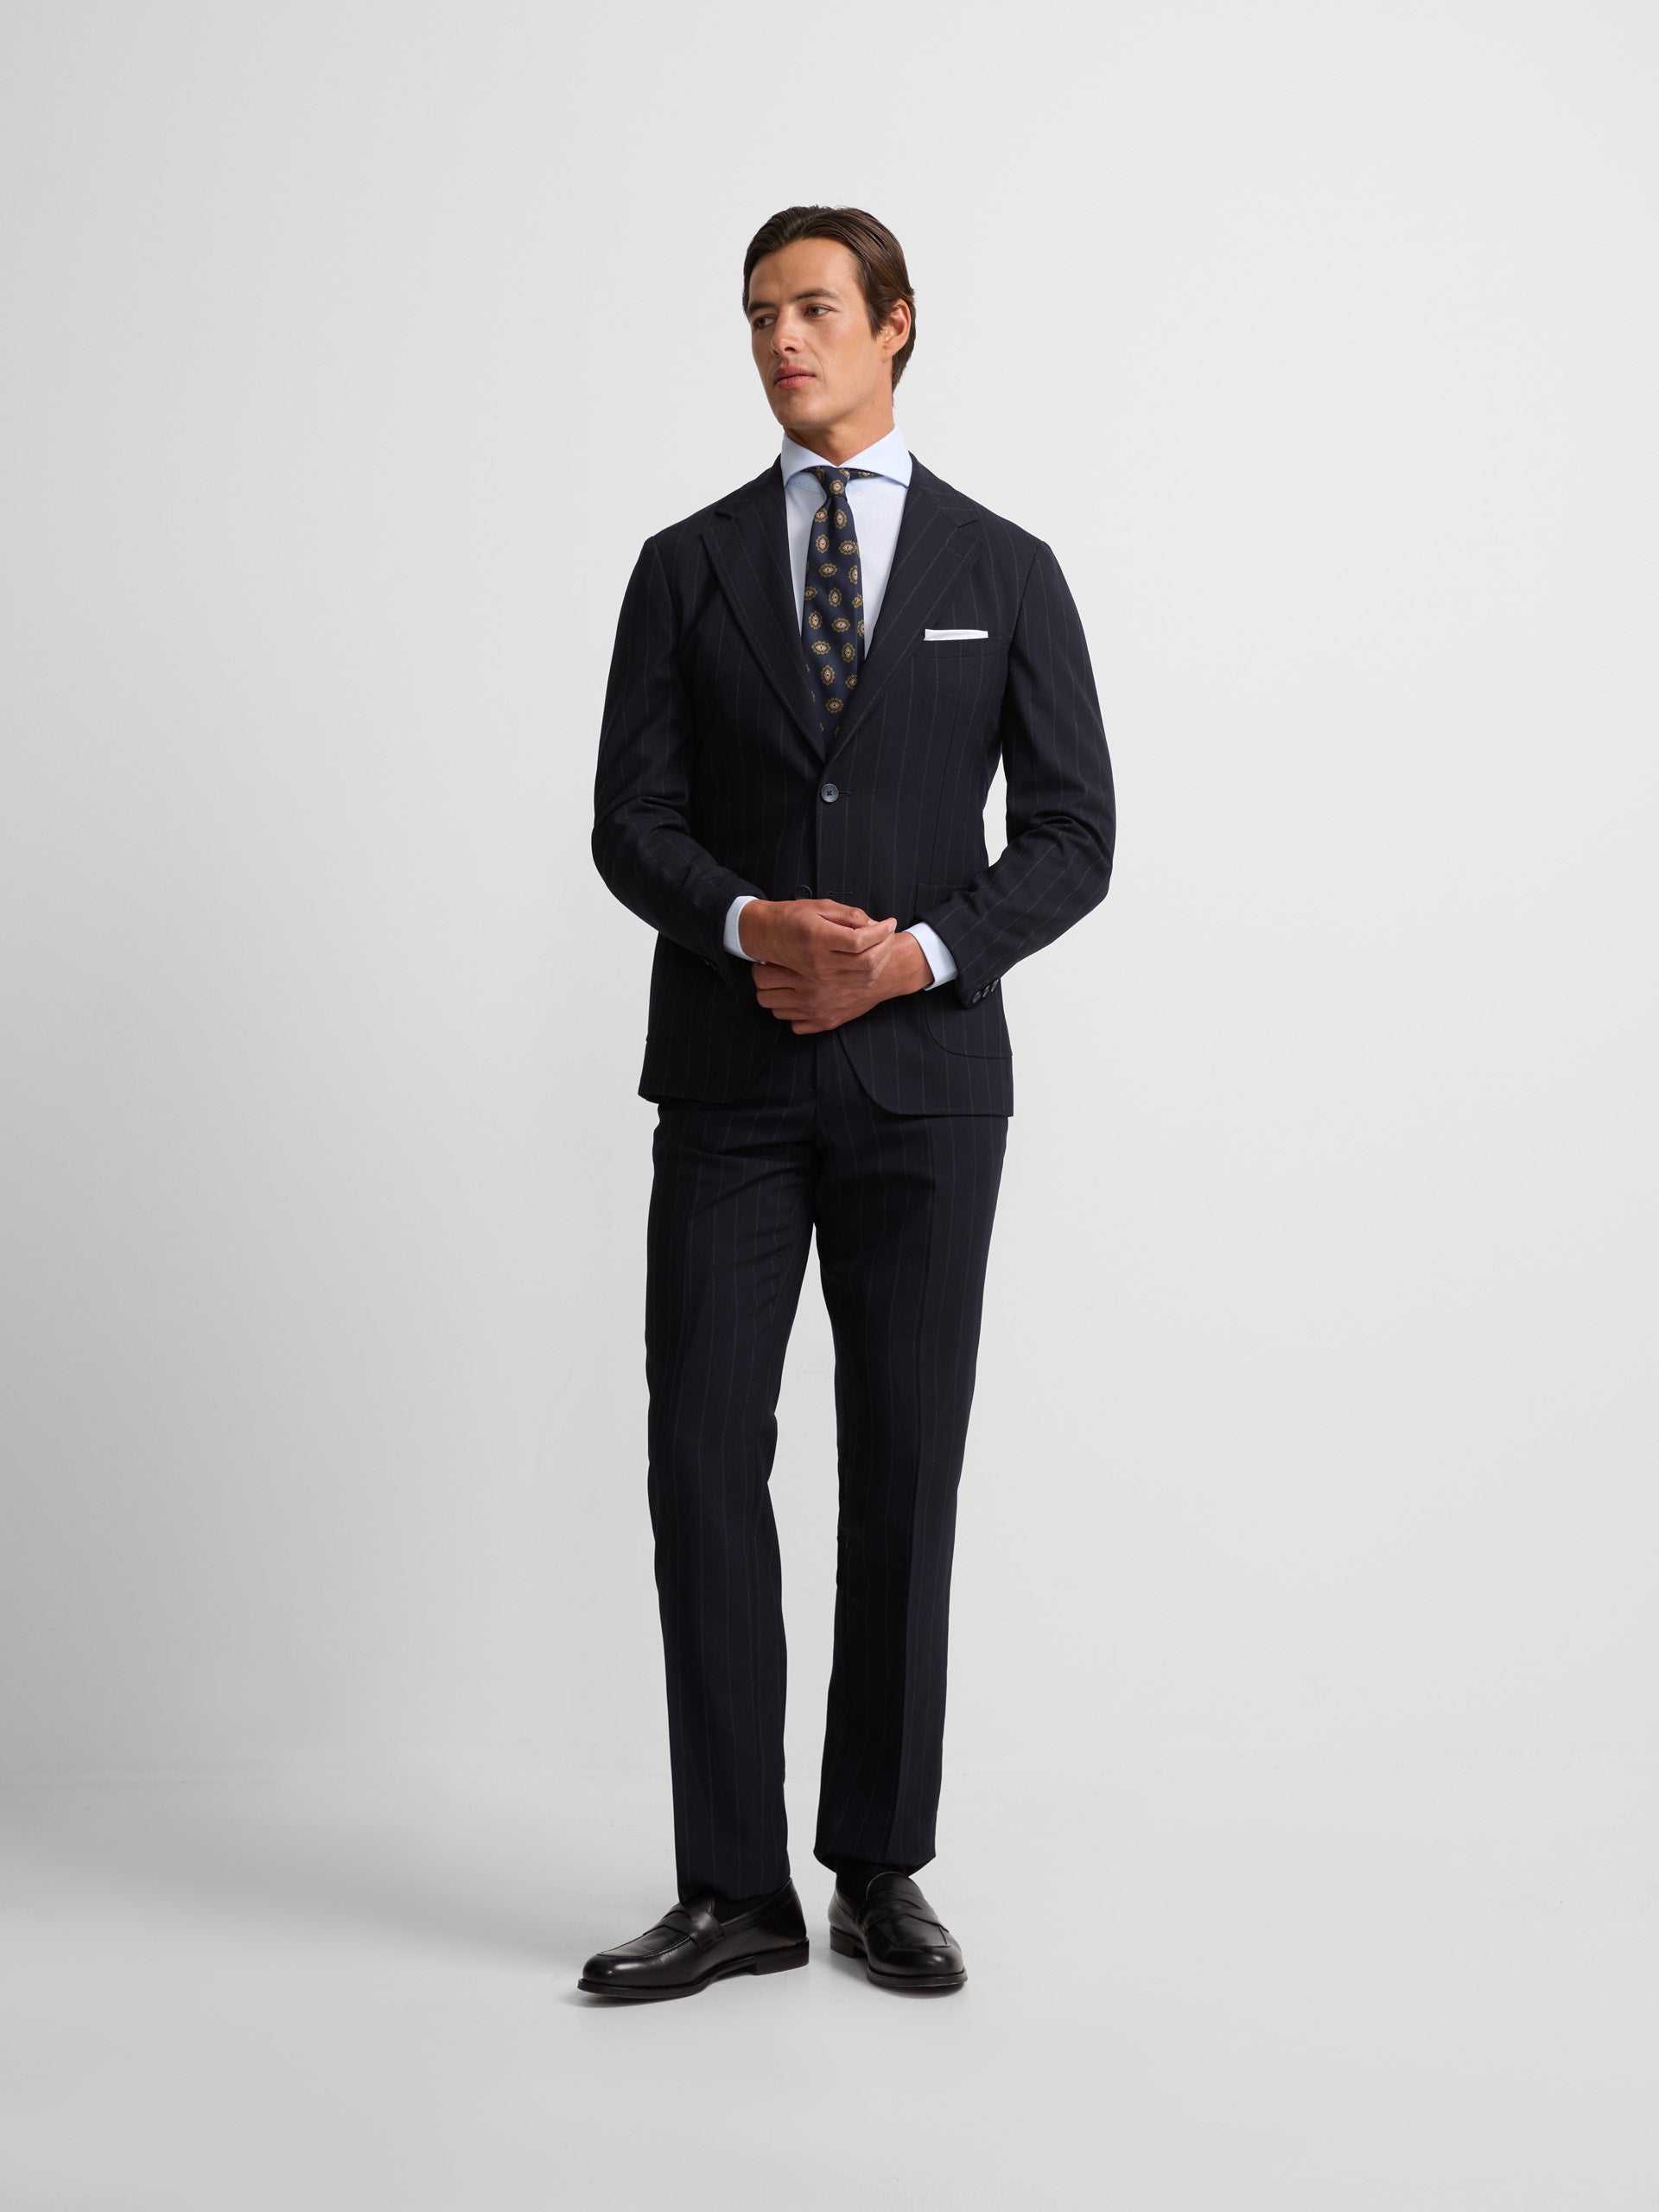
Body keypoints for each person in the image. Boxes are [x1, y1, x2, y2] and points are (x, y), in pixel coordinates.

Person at [582, 205, 1115, 2000]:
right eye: (757, 316)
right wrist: (752, 924)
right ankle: (734, 1887)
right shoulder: (684, 565)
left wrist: (916, 959)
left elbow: (1075, 834)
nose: (780, 341)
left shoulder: (1007, 566)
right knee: (698, 1458)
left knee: (903, 1464)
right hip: (728, 1082)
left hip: (927, 1092)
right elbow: (630, 823)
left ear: (896, 324)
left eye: (812, 308)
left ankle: (881, 1863)